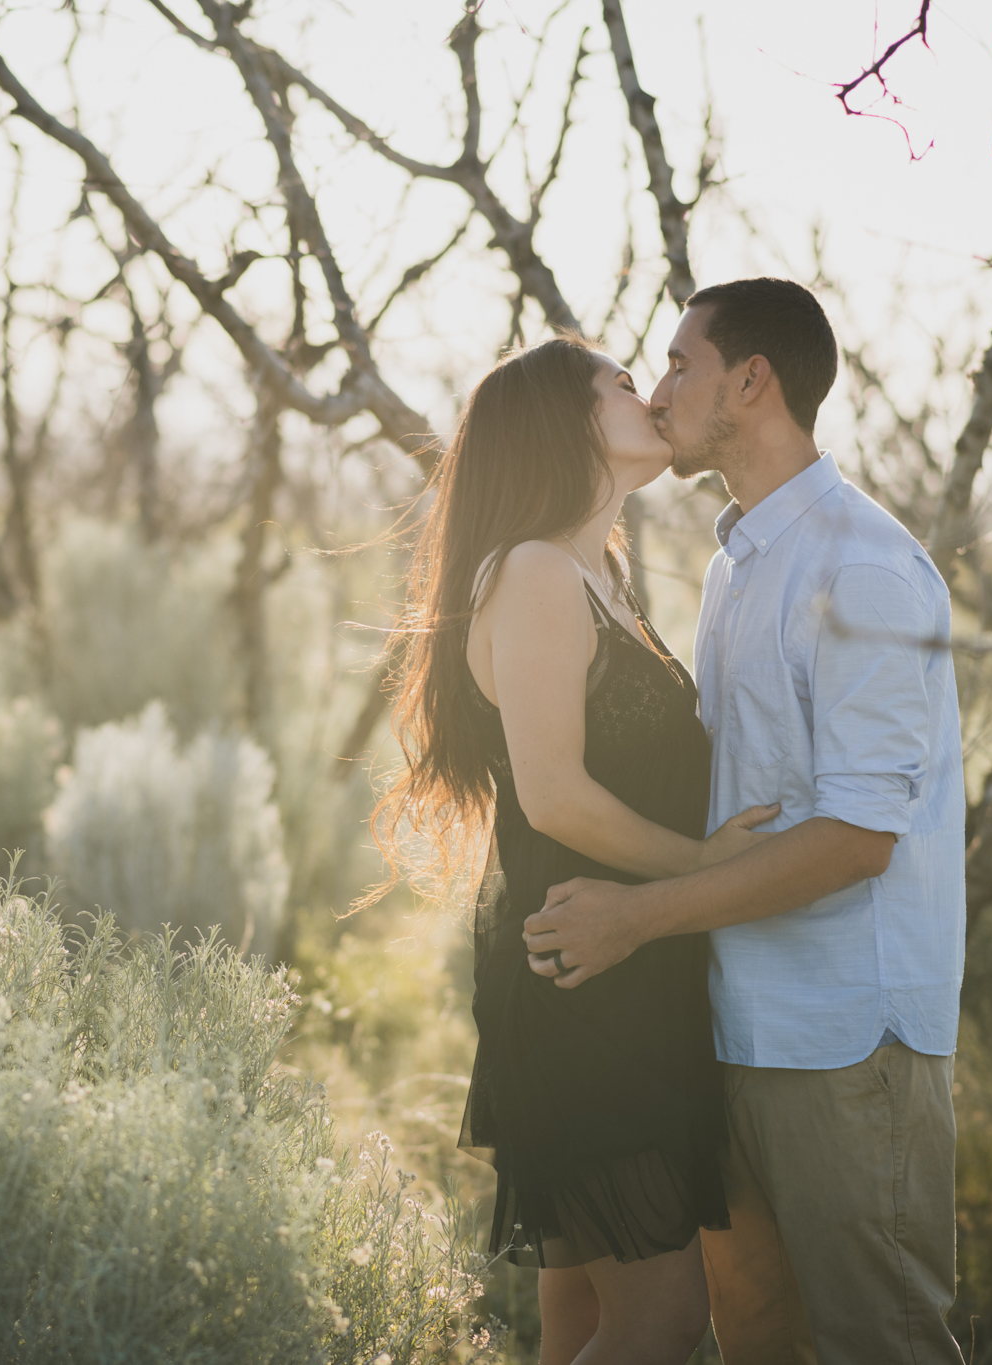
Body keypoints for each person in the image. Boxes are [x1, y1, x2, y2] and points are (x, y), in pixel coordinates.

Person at [520, 278, 967, 1365]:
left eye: (679, 365)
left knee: (882, 1342)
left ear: (751, 381)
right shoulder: (736, 562)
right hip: (734, 1027)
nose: (660, 389)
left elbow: (860, 838)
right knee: (759, 1339)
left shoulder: (860, 567)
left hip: (845, 1043)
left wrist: (639, 916)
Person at [372, 336, 778, 1365]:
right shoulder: (535, 572)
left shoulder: (595, 574)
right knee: (661, 1320)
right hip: (581, 977)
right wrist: (706, 868)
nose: (648, 395)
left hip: (619, 966)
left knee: (581, 1322)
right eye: (622, 384)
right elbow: (552, 795)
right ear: (563, 420)